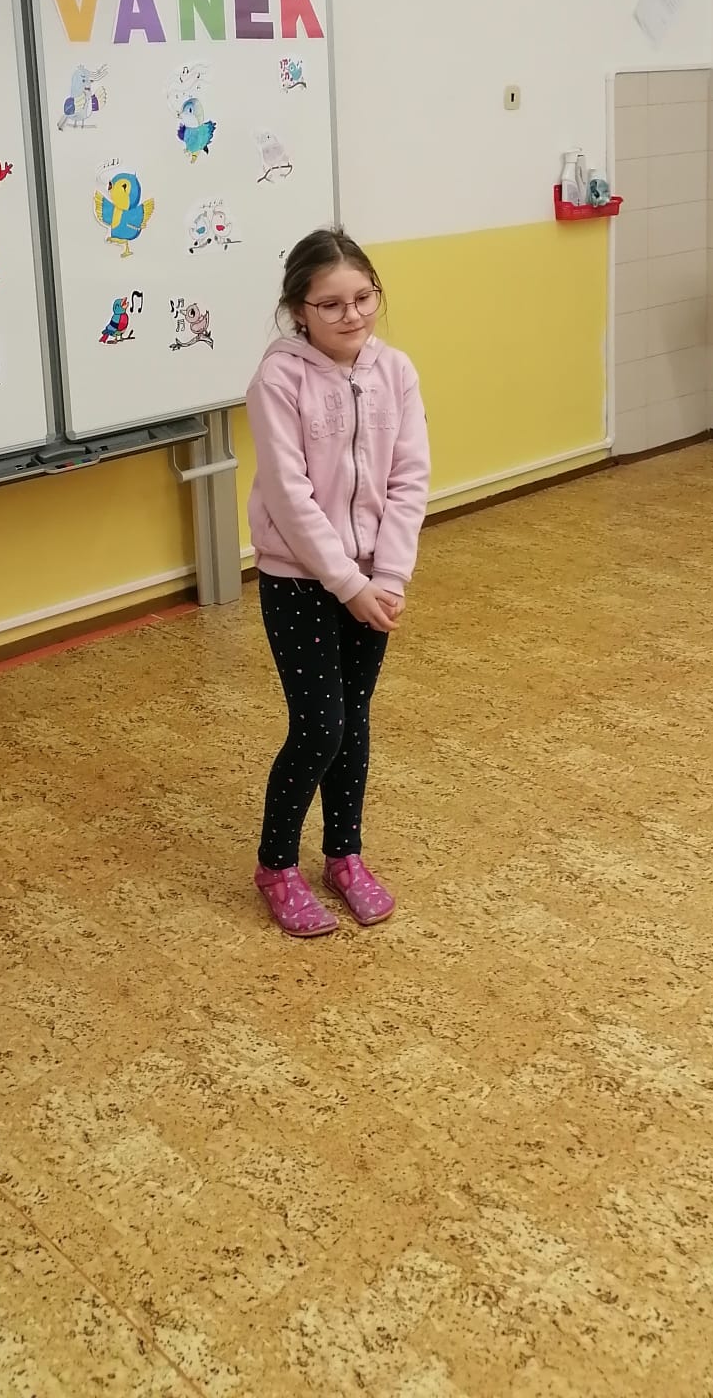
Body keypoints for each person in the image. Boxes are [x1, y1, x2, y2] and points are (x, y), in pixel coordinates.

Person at [245, 228, 430, 937]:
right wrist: (347, 584)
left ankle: (343, 856)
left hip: (372, 579)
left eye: (364, 297)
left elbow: (409, 478)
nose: (352, 315)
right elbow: (289, 496)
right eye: (331, 304)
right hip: (300, 580)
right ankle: (276, 865)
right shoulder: (278, 380)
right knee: (319, 725)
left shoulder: (397, 371)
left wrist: (389, 574)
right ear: (299, 310)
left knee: (353, 721)